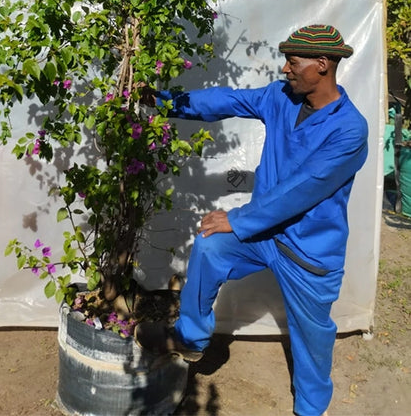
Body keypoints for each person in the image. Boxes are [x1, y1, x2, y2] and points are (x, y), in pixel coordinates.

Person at [135, 24, 368, 416]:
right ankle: (190, 338)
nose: (285, 70)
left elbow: (304, 188)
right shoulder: (281, 99)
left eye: (293, 62)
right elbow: (227, 100)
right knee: (210, 246)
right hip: (263, 234)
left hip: (308, 252)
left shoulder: (349, 129)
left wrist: (238, 218)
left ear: (323, 65)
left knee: (312, 339)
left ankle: (311, 409)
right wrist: (166, 103)